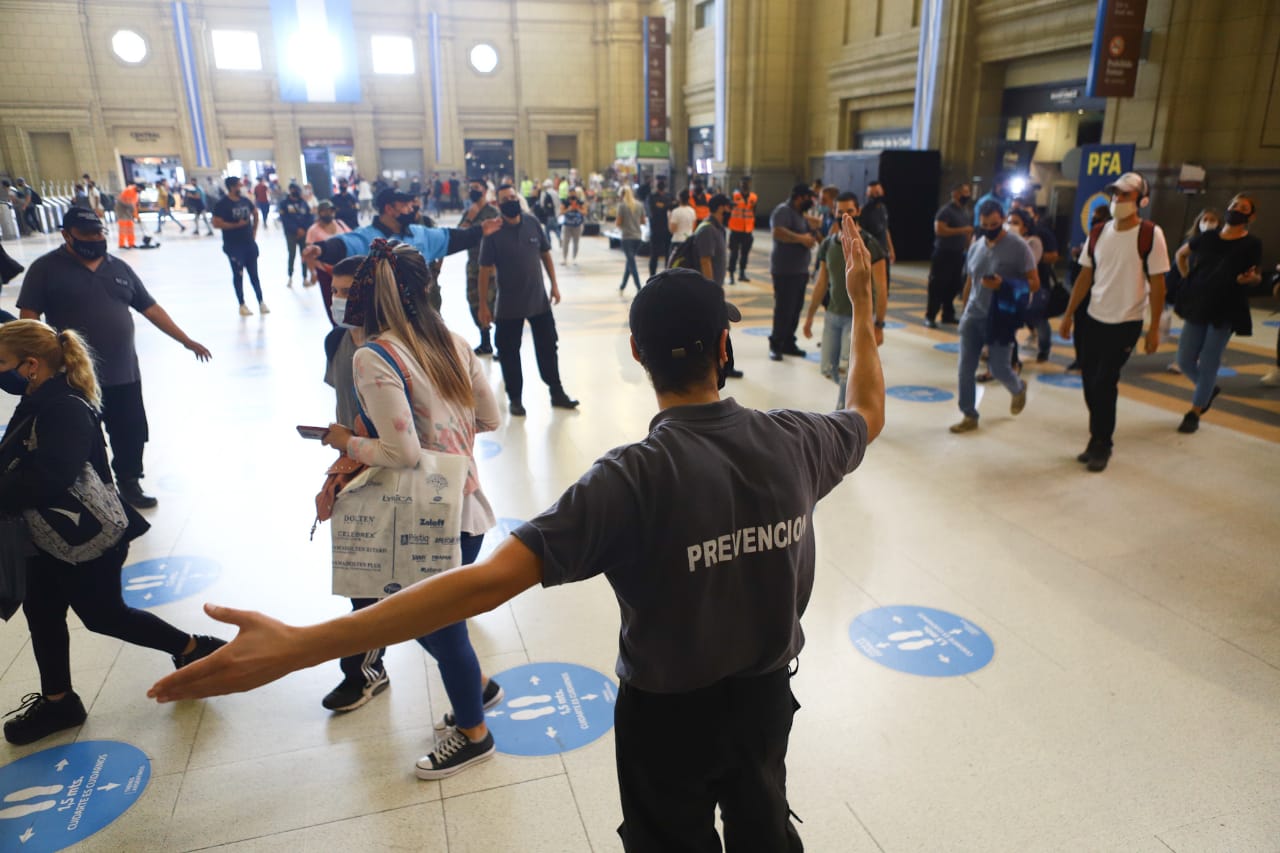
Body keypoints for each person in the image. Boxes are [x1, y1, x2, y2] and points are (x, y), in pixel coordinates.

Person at [147, 216, 886, 853]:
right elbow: (868, 411)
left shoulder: (630, 480)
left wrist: (304, 643)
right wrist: (860, 303)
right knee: (763, 825)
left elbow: (482, 582)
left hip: (667, 720)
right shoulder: (797, 442)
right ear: (724, 349)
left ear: (636, 354)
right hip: (763, 703)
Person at [315, 246, 505, 765]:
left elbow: (403, 453)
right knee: (430, 621)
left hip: (424, 517)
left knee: (432, 624)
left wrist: (343, 441)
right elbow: (491, 419)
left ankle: (473, 735)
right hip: (467, 509)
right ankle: (477, 689)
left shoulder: (376, 356)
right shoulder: (455, 343)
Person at [0, 319, 225, 744]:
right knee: (42, 613)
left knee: (104, 616)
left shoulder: (62, 405)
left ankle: (196, 648)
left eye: (1, 363)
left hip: (84, 536)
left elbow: (50, 477)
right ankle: (58, 701)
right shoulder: (38, 394)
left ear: (30, 365)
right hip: (47, 535)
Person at [17, 208, 211, 507]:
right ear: (67, 235)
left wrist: (185, 340)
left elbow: (150, 308)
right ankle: (92, 492)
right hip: (73, 377)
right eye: (87, 233)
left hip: (123, 372)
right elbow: (29, 318)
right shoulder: (45, 269)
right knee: (81, 436)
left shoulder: (118, 267)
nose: (96, 238)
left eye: (99, 232)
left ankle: (130, 483)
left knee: (130, 432)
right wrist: (34, 364)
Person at [1058, 172, 1170, 472]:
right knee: (1089, 382)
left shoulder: (1150, 234)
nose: (1117, 200)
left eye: (1125, 195)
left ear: (1141, 200)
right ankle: (1096, 437)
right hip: (1093, 318)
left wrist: (1154, 328)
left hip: (1126, 321)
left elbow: (1158, 284)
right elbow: (1085, 276)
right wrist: (1069, 314)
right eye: (1115, 194)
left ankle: (1102, 444)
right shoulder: (1098, 232)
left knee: (1105, 382)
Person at [304, 188, 500, 314]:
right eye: (405, 205)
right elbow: (344, 245)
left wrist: (481, 230)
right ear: (390, 209)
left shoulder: (420, 234)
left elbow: (452, 237)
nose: (411, 208)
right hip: (384, 316)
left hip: (421, 313)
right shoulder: (367, 237)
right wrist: (321, 249)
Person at [477, 185, 579, 416]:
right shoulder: (493, 231)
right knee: (509, 351)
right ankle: (515, 399)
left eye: (513, 197)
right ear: (498, 204)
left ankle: (557, 392)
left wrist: (554, 284)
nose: (511, 201)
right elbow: (484, 270)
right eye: (506, 199)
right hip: (508, 306)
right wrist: (483, 305)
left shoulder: (533, 223)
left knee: (548, 347)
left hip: (538, 302)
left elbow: (545, 254)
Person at [1172, 194, 1262, 433]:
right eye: (1233, 205)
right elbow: (1181, 255)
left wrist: (1251, 279)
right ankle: (1208, 390)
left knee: (1210, 362)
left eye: (1243, 208)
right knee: (1184, 359)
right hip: (1198, 304)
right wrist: (1188, 279)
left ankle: (1195, 411)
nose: (1236, 209)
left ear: (1250, 216)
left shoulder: (1251, 244)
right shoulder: (1208, 238)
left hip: (1226, 307)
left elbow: (1256, 275)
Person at [950, 200, 1039, 433]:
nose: (990, 228)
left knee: (999, 367)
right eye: (985, 224)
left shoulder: (1019, 247)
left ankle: (1018, 388)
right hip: (974, 314)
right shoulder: (977, 246)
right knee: (965, 368)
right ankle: (969, 414)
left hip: (1001, 317)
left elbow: (1034, 283)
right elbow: (970, 280)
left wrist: (1004, 284)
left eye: (995, 224)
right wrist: (965, 308)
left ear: (1002, 221)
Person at [805, 192, 888, 407]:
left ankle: (842, 413)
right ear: (834, 213)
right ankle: (849, 399)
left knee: (845, 370)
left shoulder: (870, 245)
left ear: (858, 211)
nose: (845, 216)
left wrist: (878, 323)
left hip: (857, 318)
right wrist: (810, 317)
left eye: (849, 211)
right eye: (840, 212)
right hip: (833, 315)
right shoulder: (828, 245)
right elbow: (822, 283)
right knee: (829, 368)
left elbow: (881, 286)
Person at [693, 194, 743, 379]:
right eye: (727, 207)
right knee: (719, 328)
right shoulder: (707, 229)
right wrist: (711, 291)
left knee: (722, 328)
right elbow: (705, 260)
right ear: (720, 208)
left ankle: (724, 365)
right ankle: (721, 366)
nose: (730, 211)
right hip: (709, 291)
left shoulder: (717, 228)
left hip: (714, 289)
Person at [768, 184, 818, 361]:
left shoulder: (800, 215)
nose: (811, 202)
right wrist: (802, 239)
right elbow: (777, 232)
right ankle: (776, 344)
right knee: (784, 309)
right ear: (799, 197)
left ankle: (789, 342)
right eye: (808, 199)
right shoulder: (783, 211)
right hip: (785, 270)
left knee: (795, 309)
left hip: (800, 270)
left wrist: (811, 235)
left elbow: (808, 236)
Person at [212, 177, 268, 317]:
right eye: (238, 185)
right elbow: (216, 223)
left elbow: (255, 213)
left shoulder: (245, 201)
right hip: (233, 246)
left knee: (254, 275)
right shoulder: (222, 204)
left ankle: (261, 301)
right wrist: (234, 226)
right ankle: (242, 304)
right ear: (231, 187)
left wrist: (254, 231)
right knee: (238, 275)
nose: (241, 187)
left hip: (249, 244)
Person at [459, 179, 502, 355]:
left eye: (476, 188)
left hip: (492, 266)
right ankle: (485, 342)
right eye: (470, 188)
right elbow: (459, 236)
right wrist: (470, 218)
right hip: (473, 264)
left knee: (495, 304)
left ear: (484, 190)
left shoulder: (493, 212)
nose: (472, 191)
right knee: (474, 301)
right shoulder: (469, 212)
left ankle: (501, 346)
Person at [1007, 208, 1051, 364]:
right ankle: (1011, 359)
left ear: (1025, 226)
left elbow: (1027, 266)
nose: (1011, 225)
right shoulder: (1006, 242)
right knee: (1009, 326)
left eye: (1016, 223)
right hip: (1010, 291)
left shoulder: (1033, 242)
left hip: (1031, 290)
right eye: (1009, 222)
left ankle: (1044, 349)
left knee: (1038, 320)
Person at [926, 183, 972, 327]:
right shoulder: (945, 211)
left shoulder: (965, 211)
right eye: (964, 192)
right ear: (955, 193)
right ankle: (930, 316)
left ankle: (948, 314)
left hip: (958, 254)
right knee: (938, 285)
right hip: (943, 253)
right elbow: (939, 230)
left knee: (954, 285)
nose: (967, 195)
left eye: (968, 192)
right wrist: (962, 230)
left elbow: (968, 233)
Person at [307, 200, 351, 323]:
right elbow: (309, 253)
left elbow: (351, 238)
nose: (329, 213)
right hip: (326, 272)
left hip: (345, 270)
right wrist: (313, 272)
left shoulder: (340, 224)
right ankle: (336, 327)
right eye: (325, 211)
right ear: (320, 213)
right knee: (331, 301)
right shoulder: (313, 230)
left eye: (331, 210)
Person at [860, 181, 895, 291]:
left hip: (883, 254)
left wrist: (891, 250)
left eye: (877, 192)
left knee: (884, 287)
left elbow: (885, 229)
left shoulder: (883, 209)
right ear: (867, 195)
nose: (875, 196)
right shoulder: (864, 212)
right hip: (871, 255)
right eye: (872, 194)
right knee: (872, 288)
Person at [278, 184, 314, 287]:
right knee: (292, 254)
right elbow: (284, 219)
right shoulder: (284, 204)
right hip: (291, 234)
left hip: (303, 233)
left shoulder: (303, 203)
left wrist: (304, 229)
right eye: (293, 190)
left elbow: (309, 217)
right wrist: (296, 229)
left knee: (305, 255)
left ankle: (305, 278)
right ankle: (290, 276)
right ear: (290, 190)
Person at [616, 185, 646, 295]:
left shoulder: (622, 206)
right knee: (630, 261)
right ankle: (622, 286)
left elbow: (618, 223)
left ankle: (639, 288)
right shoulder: (640, 205)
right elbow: (643, 221)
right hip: (638, 237)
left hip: (626, 237)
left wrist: (625, 224)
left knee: (631, 263)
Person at [727, 176, 758, 283]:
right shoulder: (734, 196)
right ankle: (731, 274)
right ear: (740, 184)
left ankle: (742, 273)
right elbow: (728, 210)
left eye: (747, 183)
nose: (745, 186)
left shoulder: (753, 197)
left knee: (745, 253)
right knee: (734, 254)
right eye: (743, 183)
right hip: (735, 230)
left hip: (747, 230)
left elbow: (754, 212)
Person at [645, 177, 673, 278]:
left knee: (664, 255)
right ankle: (654, 276)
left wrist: (661, 207)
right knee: (656, 255)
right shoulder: (654, 197)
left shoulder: (653, 198)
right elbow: (652, 213)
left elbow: (653, 212)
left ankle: (663, 275)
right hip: (659, 229)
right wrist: (665, 207)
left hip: (662, 230)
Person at [561, 188, 587, 267]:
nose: (572, 194)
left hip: (577, 225)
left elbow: (585, 212)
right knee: (565, 242)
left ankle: (574, 258)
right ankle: (564, 258)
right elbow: (561, 212)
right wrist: (569, 209)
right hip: (567, 225)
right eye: (570, 193)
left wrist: (577, 208)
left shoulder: (580, 202)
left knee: (576, 242)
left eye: (573, 193)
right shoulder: (565, 202)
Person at [669, 190, 697, 261]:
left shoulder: (676, 211)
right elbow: (694, 227)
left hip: (677, 240)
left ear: (679, 199)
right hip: (689, 240)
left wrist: (669, 218)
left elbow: (672, 230)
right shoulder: (692, 211)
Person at [115, 183, 140, 249]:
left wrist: (136, 216)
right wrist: (134, 214)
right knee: (123, 228)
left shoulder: (136, 194)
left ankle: (131, 243)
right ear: (137, 187)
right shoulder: (129, 190)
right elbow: (127, 203)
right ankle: (121, 244)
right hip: (122, 211)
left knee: (130, 228)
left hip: (128, 211)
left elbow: (134, 205)